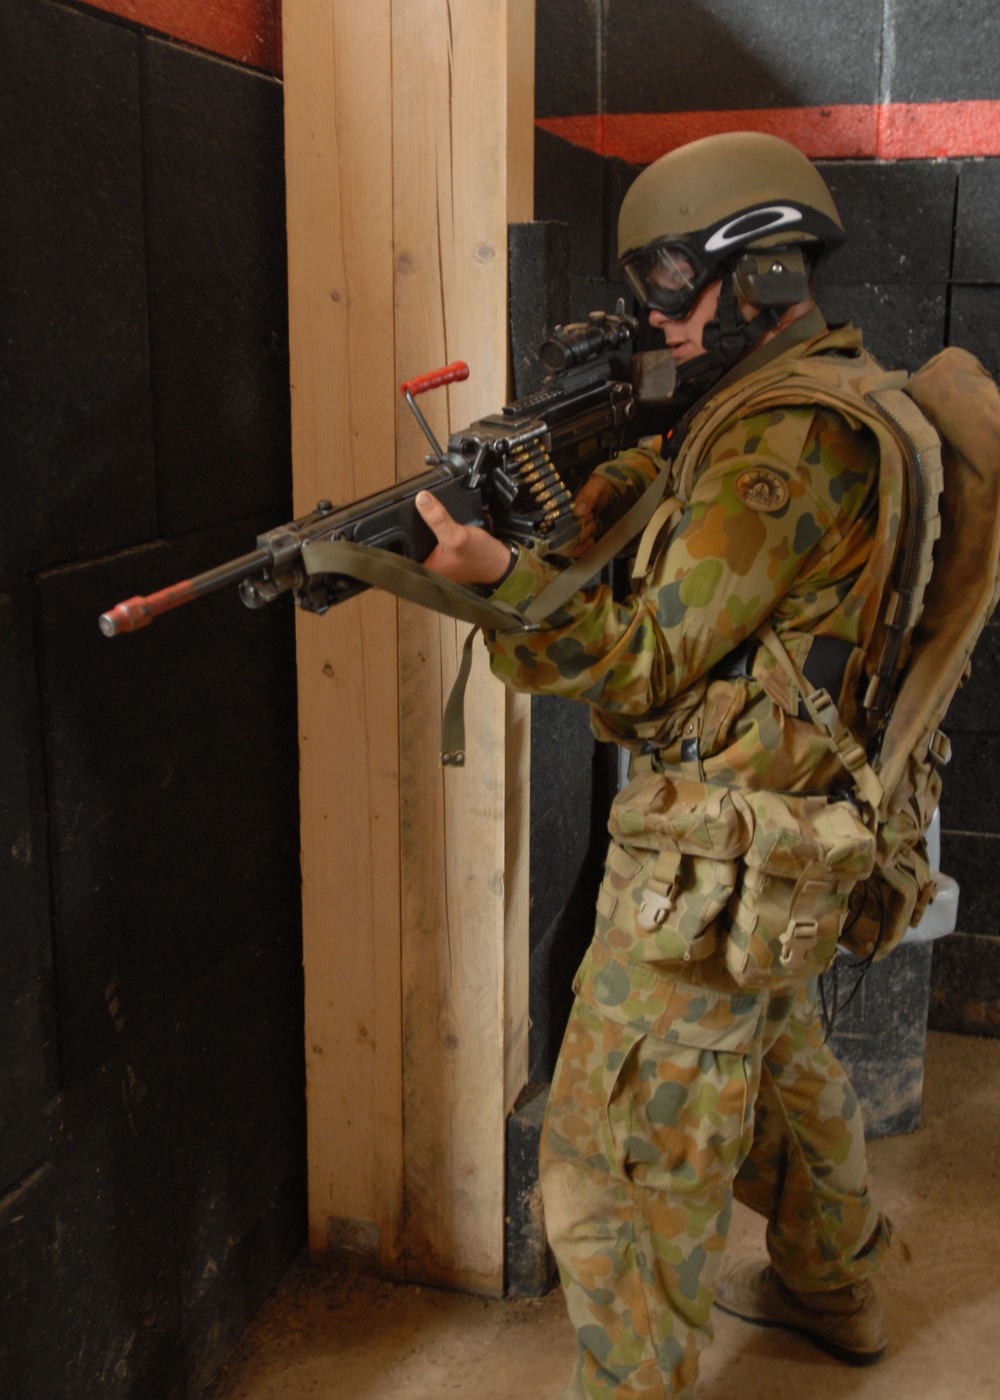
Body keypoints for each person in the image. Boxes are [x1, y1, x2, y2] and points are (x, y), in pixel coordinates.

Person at [415, 131, 894, 1399]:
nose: (655, 316)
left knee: (614, 1150)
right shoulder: (817, 395)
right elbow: (683, 505)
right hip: (789, 830)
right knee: (779, 1066)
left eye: (676, 280)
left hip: (715, 849)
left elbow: (638, 668)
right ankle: (834, 1285)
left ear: (768, 274)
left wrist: (497, 582)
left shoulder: (774, 446)